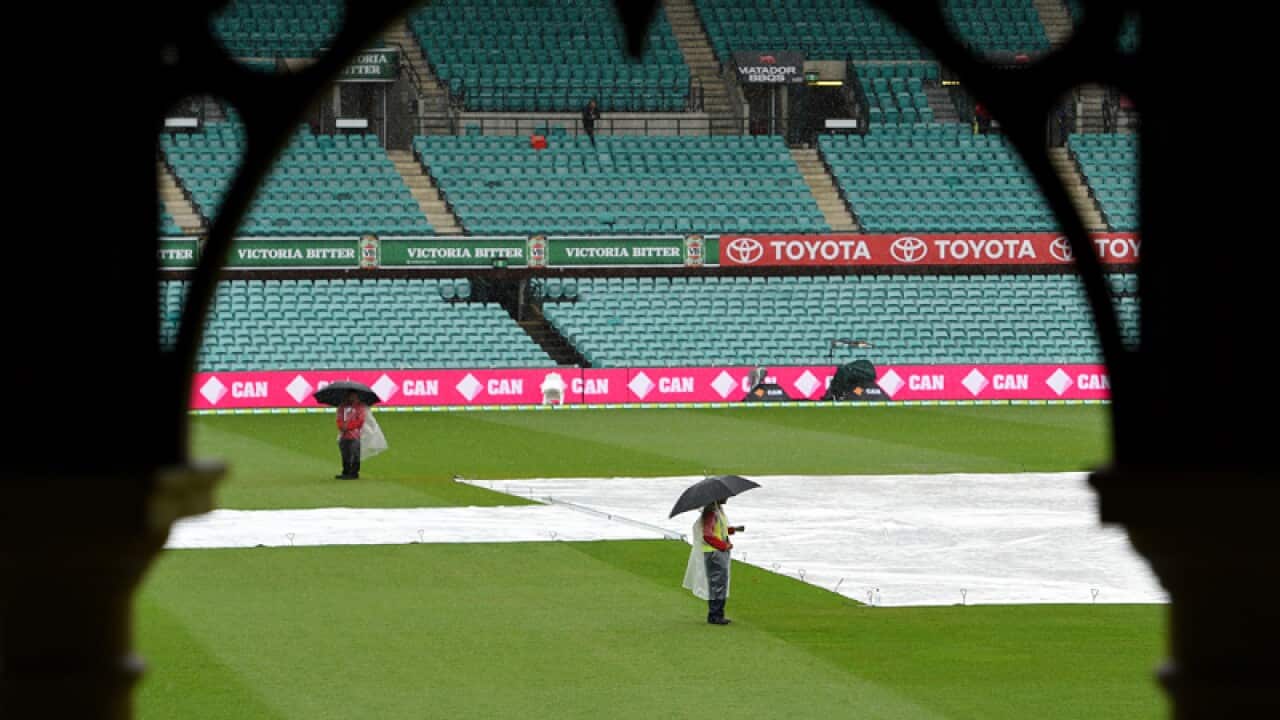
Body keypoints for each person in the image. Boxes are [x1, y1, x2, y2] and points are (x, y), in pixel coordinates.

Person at [682, 498, 741, 625]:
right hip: (714, 552)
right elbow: (708, 535)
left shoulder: (717, 511)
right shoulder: (712, 513)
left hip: (716, 551)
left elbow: (719, 529)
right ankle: (715, 615)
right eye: (724, 496)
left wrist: (733, 530)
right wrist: (723, 546)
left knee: (720, 582)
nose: (727, 498)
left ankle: (717, 613)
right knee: (718, 582)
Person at [335, 390, 366, 479]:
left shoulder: (360, 407)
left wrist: (348, 426)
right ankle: (346, 471)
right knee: (345, 453)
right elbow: (338, 419)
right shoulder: (342, 407)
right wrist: (341, 426)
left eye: (354, 396)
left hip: (355, 435)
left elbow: (360, 421)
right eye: (351, 396)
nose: (352, 398)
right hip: (343, 435)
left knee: (355, 453)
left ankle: (354, 472)